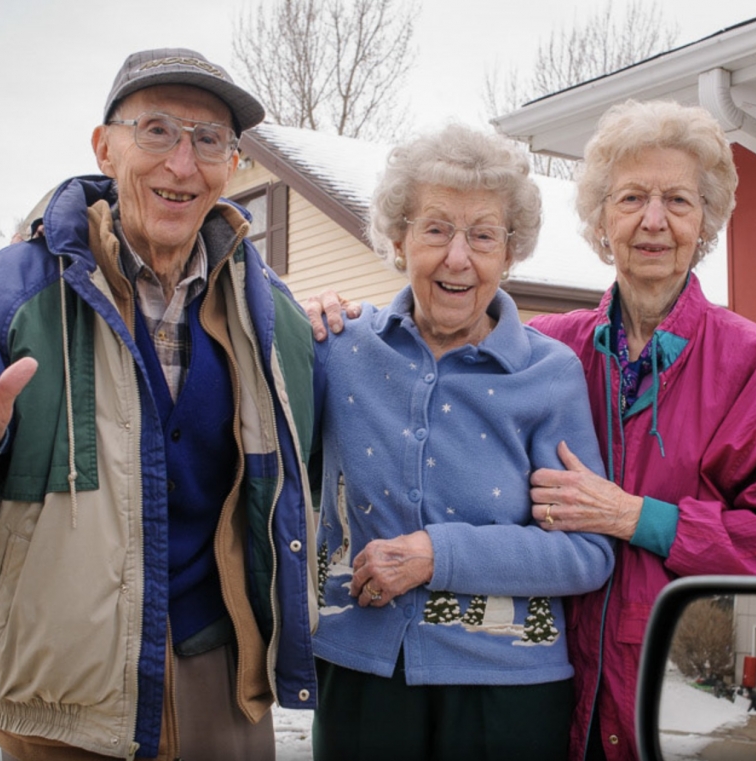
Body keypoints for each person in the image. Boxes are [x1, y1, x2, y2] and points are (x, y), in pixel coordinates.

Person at [0, 48, 319, 761]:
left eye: (209, 139)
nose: (183, 164)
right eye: (157, 131)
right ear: (104, 146)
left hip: (225, 688)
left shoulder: (274, 317)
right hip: (63, 704)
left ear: (232, 163)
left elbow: (329, 463)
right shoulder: (7, 294)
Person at [523, 100, 756, 760]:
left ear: (705, 223)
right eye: (632, 197)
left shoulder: (749, 362)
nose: (653, 220)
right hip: (546, 693)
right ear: (600, 219)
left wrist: (636, 516)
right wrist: (340, 317)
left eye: (677, 200)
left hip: (674, 705)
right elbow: (445, 360)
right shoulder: (547, 351)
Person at [308, 123, 616, 761]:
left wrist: (436, 554)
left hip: (507, 689)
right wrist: (296, 308)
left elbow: (587, 554)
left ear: (509, 254)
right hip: (362, 671)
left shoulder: (548, 373)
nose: (458, 257)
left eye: (482, 236)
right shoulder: (339, 348)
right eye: (436, 229)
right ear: (398, 240)